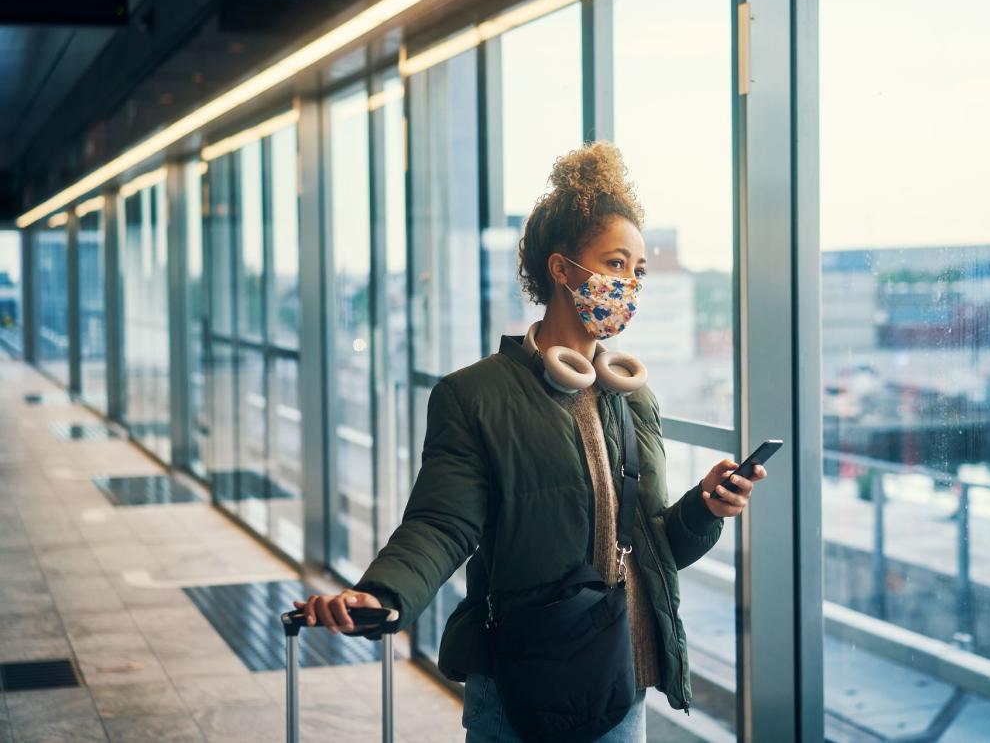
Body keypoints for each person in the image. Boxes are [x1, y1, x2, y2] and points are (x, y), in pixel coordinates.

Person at [293, 140, 767, 741]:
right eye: (616, 264)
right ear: (562, 268)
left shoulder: (632, 397)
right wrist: (384, 594)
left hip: (622, 678)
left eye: (638, 271)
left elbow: (649, 549)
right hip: (524, 683)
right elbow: (442, 523)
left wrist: (705, 508)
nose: (630, 284)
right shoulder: (476, 396)